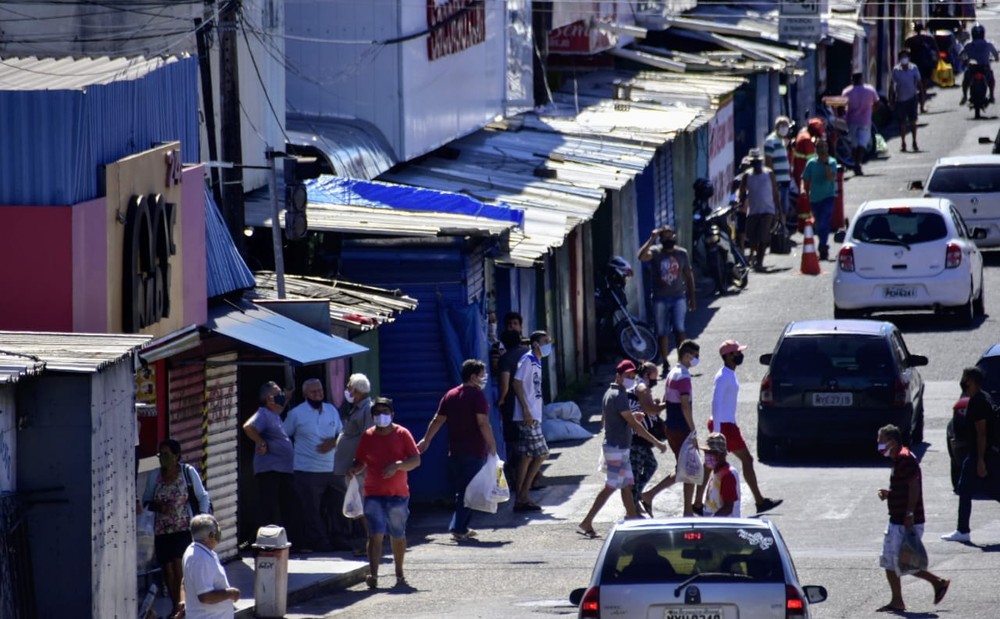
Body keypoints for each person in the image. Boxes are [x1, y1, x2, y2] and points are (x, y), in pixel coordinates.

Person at [577, 360, 666, 538]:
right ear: (618, 376)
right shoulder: (619, 395)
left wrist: (631, 417)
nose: (631, 379)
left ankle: (632, 518)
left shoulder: (610, 393)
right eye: (628, 376)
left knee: (627, 486)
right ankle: (587, 522)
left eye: (633, 376)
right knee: (611, 487)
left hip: (617, 447)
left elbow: (607, 420)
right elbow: (635, 426)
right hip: (616, 448)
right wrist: (657, 442)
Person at [694, 340, 782, 516]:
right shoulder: (723, 376)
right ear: (727, 356)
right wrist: (717, 432)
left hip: (726, 424)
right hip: (724, 426)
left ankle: (697, 503)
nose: (740, 355)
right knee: (745, 460)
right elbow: (716, 403)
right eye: (736, 352)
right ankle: (759, 501)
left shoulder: (729, 374)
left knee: (710, 464)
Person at [417, 359, 498, 541]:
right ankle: (459, 528)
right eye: (482, 376)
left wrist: (426, 440)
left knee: (463, 490)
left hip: (455, 451)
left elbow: (437, 419)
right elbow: (483, 423)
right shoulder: (477, 396)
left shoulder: (451, 395)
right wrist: (492, 444)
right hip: (474, 450)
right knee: (468, 491)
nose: (484, 379)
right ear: (473, 376)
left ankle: (461, 525)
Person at [876, 424, 951, 612]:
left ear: (892, 442)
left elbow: (914, 487)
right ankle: (897, 600)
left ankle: (937, 583)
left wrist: (909, 513)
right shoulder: (899, 458)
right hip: (897, 519)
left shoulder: (904, 459)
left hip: (905, 521)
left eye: (881, 440)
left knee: (903, 562)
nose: (878, 444)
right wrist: (890, 494)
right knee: (889, 560)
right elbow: (904, 487)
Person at [349, 397, 421, 589]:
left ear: (392, 414)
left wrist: (398, 466)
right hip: (373, 493)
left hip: (398, 494)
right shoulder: (368, 436)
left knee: (398, 534)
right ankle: (373, 575)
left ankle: (399, 572)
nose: (381, 416)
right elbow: (360, 460)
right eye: (377, 413)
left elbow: (415, 460)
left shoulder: (402, 433)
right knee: (375, 534)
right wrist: (354, 469)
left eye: (385, 412)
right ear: (372, 416)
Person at [143, 439, 211, 618]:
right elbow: (146, 501)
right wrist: (159, 507)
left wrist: (202, 520)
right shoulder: (154, 476)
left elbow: (203, 496)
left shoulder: (187, 473)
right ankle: (176, 606)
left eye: (166, 455)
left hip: (183, 529)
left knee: (179, 568)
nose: (162, 459)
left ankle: (180, 608)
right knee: (168, 571)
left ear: (176, 456)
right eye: (160, 455)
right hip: (162, 531)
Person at [282, 378, 342, 553]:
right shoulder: (296, 413)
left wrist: (333, 442)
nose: (318, 395)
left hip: (332, 468)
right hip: (306, 469)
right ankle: (319, 542)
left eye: (320, 391)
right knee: (311, 510)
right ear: (305, 394)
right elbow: (284, 435)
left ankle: (339, 538)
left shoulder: (331, 410)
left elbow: (342, 433)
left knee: (338, 505)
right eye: (314, 392)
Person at [641, 340, 701, 516]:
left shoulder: (673, 373)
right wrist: (693, 430)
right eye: (695, 356)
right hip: (681, 428)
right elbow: (685, 406)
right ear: (687, 355)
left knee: (683, 469)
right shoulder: (683, 376)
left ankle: (649, 495)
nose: (697, 360)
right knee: (690, 469)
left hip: (672, 426)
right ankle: (688, 511)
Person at [941, 366, 1000, 543]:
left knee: (967, 488)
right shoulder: (983, 397)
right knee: (992, 489)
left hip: (982, 453)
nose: (963, 381)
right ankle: (962, 529)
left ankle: (962, 530)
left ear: (972, 381)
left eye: (965, 378)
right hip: (985, 453)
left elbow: (981, 433)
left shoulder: (978, 402)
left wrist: (980, 460)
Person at [637, 225, 696, 372]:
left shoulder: (682, 253)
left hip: (678, 298)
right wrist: (652, 238)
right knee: (662, 332)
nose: (668, 239)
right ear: (661, 239)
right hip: (660, 299)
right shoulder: (655, 252)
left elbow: (688, 276)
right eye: (665, 236)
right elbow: (641, 256)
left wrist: (691, 297)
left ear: (675, 237)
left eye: (671, 236)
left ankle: (682, 361)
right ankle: (665, 362)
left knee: (679, 330)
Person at [242, 382, 296, 537]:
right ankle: (268, 539)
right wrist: (261, 442)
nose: (281, 397)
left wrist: (287, 397)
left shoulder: (275, 414)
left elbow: (280, 406)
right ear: (269, 398)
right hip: (270, 470)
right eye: (278, 394)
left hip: (283, 469)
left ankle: (285, 540)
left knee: (286, 505)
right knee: (270, 508)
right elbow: (248, 427)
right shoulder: (263, 413)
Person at [334, 373, 375, 556]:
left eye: (349, 387)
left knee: (362, 506)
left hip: (358, 468)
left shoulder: (367, 409)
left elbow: (368, 439)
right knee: (358, 505)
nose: (347, 391)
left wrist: (359, 464)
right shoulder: (356, 408)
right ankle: (369, 541)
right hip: (352, 467)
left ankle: (371, 542)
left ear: (357, 391)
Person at [512, 330, 552, 512]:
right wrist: (526, 409)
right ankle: (523, 495)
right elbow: (516, 382)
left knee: (527, 456)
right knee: (542, 453)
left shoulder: (537, 361)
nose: (548, 344)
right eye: (545, 341)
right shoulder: (527, 359)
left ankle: (521, 498)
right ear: (536, 344)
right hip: (527, 416)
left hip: (533, 414)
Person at [180, 514, 240, 619]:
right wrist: (231, 593)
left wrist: (184, 601)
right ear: (211, 535)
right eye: (217, 530)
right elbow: (205, 597)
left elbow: (185, 581)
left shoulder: (197, 551)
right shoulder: (201, 559)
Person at [628, 361, 667, 515]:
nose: (656, 379)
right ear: (646, 375)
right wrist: (667, 404)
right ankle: (633, 506)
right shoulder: (642, 388)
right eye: (654, 376)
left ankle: (636, 499)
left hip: (641, 438)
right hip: (637, 438)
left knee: (650, 465)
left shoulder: (641, 388)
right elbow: (650, 409)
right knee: (636, 475)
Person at [738, 148, 782, 272]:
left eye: (758, 161)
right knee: (753, 238)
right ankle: (755, 257)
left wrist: (778, 210)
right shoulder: (747, 175)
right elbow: (741, 191)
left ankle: (759, 262)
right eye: (754, 162)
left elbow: (775, 193)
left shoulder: (769, 173)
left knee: (763, 237)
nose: (756, 164)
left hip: (768, 210)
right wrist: (740, 201)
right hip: (753, 211)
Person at [496, 329, 529, 481]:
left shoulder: (506, 359)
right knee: (531, 442)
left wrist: (501, 399)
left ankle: (517, 480)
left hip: (513, 405)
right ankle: (532, 478)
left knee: (515, 443)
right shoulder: (529, 354)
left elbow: (505, 384)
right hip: (532, 403)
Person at [801, 139, 839, 261]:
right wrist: (803, 189)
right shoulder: (811, 163)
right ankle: (823, 245)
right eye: (820, 147)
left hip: (828, 197)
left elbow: (830, 178)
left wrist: (826, 164)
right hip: (815, 198)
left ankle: (823, 246)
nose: (823, 150)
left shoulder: (832, 162)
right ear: (816, 150)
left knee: (824, 221)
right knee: (818, 224)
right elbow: (805, 178)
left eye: (824, 147)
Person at [841, 72, 880, 175]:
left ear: (852, 79)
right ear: (862, 78)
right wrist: (871, 111)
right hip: (865, 121)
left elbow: (842, 106)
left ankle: (855, 164)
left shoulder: (847, 91)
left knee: (854, 145)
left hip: (851, 121)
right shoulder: (870, 90)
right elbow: (877, 103)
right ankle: (858, 164)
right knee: (862, 144)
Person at [889, 50, 925, 152]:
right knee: (902, 123)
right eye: (902, 57)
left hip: (912, 99)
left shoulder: (914, 68)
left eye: (906, 56)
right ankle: (903, 143)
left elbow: (919, 83)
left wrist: (922, 98)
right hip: (900, 100)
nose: (904, 59)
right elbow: (892, 86)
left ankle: (914, 141)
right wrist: (890, 100)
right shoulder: (896, 70)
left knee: (913, 122)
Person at [701, 433, 741, 517]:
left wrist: (711, 521)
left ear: (720, 454)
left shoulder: (728, 475)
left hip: (725, 527)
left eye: (710, 452)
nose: (706, 456)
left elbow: (728, 508)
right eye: (706, 452)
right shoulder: (715, 472)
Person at [763, 116, 793, 223]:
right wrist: (772, 181)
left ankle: (782, 230)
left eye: (786, 126)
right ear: (777, 127)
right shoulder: (770, 141)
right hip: (777, 182)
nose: (785, 128)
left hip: (785, 181)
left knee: (784, 208)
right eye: (782, 126)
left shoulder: (782, 141)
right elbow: (768, 162)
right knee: (776, 208)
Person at [960, 23, 999, 104]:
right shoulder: (988, 43)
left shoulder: (968, 44)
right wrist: (996, 59)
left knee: (965, 81)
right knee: (991, 80)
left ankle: (965, 96)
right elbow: (995, 54)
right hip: (984, 68)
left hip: (972, 68)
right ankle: (991, 95)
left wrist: (964, 60)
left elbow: (961, 55)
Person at [904, 22, 940, 107]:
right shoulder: (929, 37)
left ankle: (916, 103)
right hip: (926, 64)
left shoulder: (910, 38)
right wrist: (936, 62)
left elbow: (905, 50)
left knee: (915, 84)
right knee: (923, 84)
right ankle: (922, 105)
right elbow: (936, 50)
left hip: (914, 63)